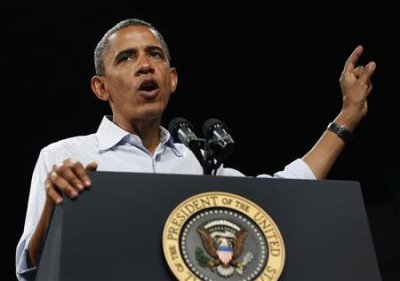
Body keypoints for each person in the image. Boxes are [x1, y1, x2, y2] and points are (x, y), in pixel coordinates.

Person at [15, 18, 376, 281]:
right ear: (100, 87)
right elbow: (28, 269)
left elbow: (286, 191)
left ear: (171, 79)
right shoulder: (64, 157)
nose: (144, 65)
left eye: (154, 54)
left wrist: (346, 117)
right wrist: (53, 206)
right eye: (126, 58)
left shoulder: (199, 164)